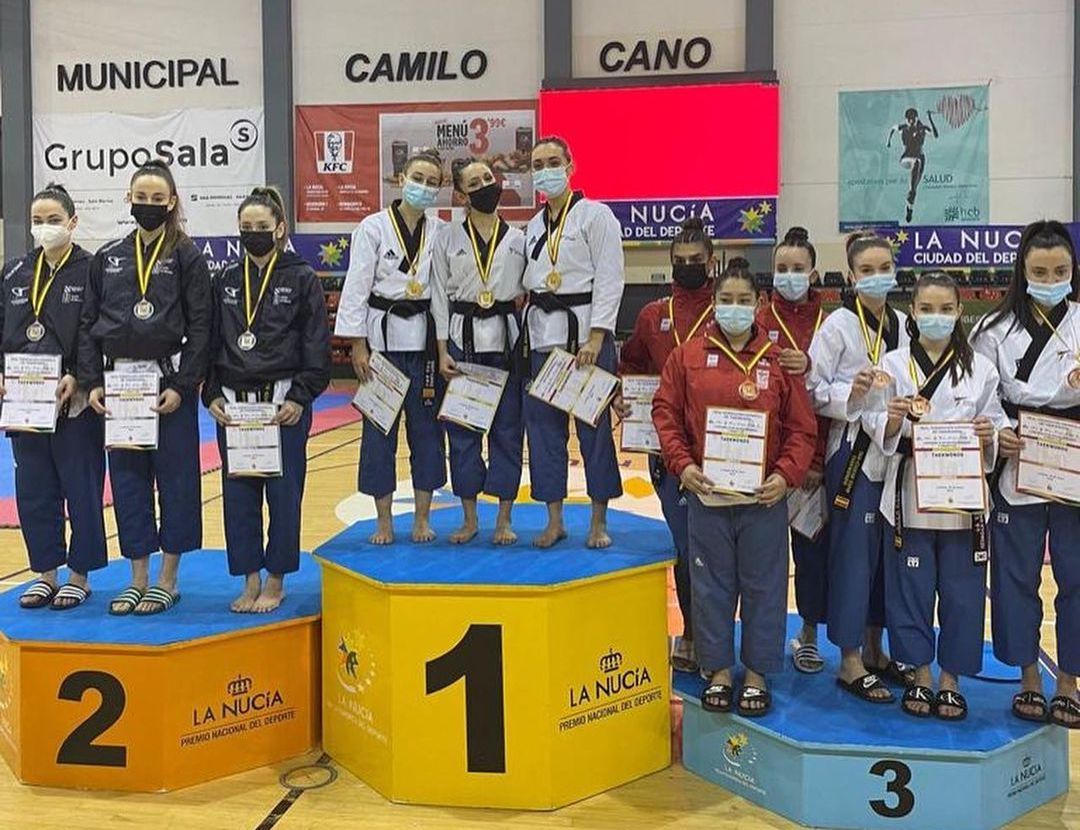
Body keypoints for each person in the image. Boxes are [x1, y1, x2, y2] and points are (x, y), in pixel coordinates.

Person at [653, 258, 816, 717]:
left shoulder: (778, 361)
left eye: (744, 300)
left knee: (764, 586)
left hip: (763, 498)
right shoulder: (686, 357)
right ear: (713, 303)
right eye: (726, 299)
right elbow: (665, 414)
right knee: (710, 585)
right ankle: (719, 670)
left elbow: (801, 429)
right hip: (707, 495)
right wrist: (683, 466)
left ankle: (758, 672)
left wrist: (784, 475)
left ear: (759, 303)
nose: (735, 307)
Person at [863, 272, 1006, 720]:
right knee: (910, 590)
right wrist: (890, 419)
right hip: (910, 492)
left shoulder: (981, 368)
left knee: (963, 594)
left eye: (946, 309)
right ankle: (921, 674)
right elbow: (871, 420)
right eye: (926, 309)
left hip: (963, 497)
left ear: (960, 312)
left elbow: (996, 420)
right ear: (913, 311)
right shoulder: (892, 363)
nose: (936, 317)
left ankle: (951, 681)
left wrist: (988, 433)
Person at [79, 159, 211, 616]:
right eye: (141, 197)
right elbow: (88, 324)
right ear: (129, 199)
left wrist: (183, 385)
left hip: (167, 384)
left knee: (176, 481)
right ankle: (137, 578)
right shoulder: (109, 256)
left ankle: (168, 578)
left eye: (158, 198)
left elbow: (202, 326)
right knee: (128, 483)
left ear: (171, 202)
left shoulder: (187, 256)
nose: (148, 204)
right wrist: (93, 380)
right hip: (120, 386)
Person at [972, 220, 1080, 729]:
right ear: (1023, 271)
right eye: (1040, 272)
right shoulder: (993, 329)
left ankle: (1070, 681)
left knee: (1077, 576)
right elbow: (981, 394)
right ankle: (1029, 677)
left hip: (1073, 459)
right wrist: (999, 431)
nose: (1051, 280)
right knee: (1015, 577)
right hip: (1019, 457)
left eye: (1060, 271)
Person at [203, 187, 331, 613]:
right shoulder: (225, 279)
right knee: (239, 496)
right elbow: (210, 341)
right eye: (246, 227)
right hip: (234, 404)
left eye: (262, 226)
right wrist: (210, 391)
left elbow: (316, 343)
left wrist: (301, 395)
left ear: (279, 228)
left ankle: (276, 579)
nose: (253, 233)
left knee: (283, 495)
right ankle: (249, 578)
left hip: (282, 403)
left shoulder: (301, 277)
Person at [808, 230, 912, 702]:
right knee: (853, 554)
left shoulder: (905, 324)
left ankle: (875, 648)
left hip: (897, 451)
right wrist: (848, 393)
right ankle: (849, 659)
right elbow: (812, 388)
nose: (876, 276)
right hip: (853, 452)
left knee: (888, 556)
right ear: (851, 277)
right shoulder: (837, 326)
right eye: (866, 270)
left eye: (883, 268)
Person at [335, 149, 448, 545]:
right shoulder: (372, 227)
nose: (424, 187)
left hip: (424, 346)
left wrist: (443, 348)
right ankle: (383, 522)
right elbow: (356, 287)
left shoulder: (441, 231)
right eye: (418, 178)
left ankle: (422, 519)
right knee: (378, 435)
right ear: (402, 179)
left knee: (427, 434)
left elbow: (441, 295)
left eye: (432, 182)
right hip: (381, 345)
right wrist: (357, 345)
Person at [2, 184, 107, 610]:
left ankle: (79, 576)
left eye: (53, 220)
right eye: (38, 221)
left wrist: (80, 377)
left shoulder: (92, 270)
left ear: (72, 222)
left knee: (80, 488)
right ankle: (46, 573)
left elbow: (96, 331)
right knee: (34, 491)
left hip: (73, 401)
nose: (45, 228)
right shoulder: (14, 272)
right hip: (25, 402)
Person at [618, 216, 715, 672]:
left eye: (696, 260)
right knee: (685, 547)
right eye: (680, 260)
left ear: (711, 263)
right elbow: (631, 366)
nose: (688, 266)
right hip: (670, 453)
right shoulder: (653, 316)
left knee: (720, 552)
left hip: (722, 452)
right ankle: (692, 635)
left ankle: (719, 638)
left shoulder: (728, 308)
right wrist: (624, 397)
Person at [522, 136, 625, 548]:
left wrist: (597, 337)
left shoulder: (595, 216)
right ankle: (554, 521)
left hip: (585, 339)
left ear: (570, 166)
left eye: (553, 162)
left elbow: (610, 278)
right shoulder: (532, 227)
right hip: (542, 341)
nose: (545, 170)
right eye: (537, 164)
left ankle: (599, 521)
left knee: (594, 433)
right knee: (544, 434)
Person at [432, 158, 526, 544]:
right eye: (475, 183)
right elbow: (439, 297)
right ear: (461, 195)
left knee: (508, 431)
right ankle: (469, 519)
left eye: (488, 178)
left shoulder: (518, 238)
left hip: (506, 340)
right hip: (462, 340)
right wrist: (441, 350)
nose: (486, 185)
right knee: (463, 432)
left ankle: (503, 519)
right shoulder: (447, 237)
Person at [756, 226, 830, 673]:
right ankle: (762, 638)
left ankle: (808, 634)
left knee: (811, 555)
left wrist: (814, 461)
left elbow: (843, 390)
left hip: (815, 458)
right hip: (764, 461)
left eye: (797, 268)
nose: (789, 276)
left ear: (813, 273)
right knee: (763, 558)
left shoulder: (834, 323)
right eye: (781, 268)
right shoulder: (757, 319)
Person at [887, 107, 938, 223]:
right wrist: (888, 141)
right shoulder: (902, 128)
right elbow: (892, 128)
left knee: (913, 190)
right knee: (916, 162)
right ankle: (910, 198)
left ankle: (909, 208)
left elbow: (935, 135)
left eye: (913, 119)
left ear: (916, 118)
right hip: (906, 159)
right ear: (906, 119)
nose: (911, 122)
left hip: (920, 159)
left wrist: (930, 119)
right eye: (908, 120)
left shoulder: (922, 129)